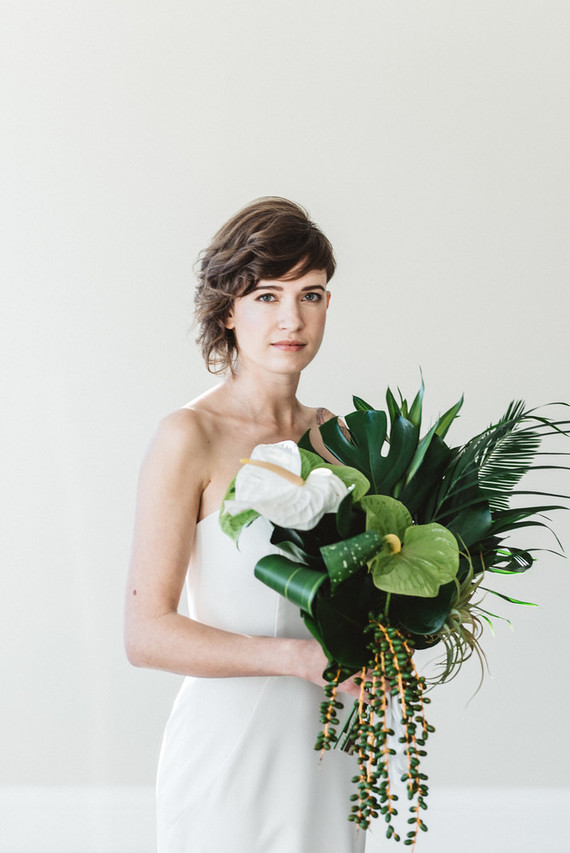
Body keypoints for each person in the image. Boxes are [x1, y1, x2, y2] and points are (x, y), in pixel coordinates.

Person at [124, 197, 367, 853]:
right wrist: (295, 659)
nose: (292, 319)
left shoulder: (343, 439)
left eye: (310, 295)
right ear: (228, 309)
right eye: (267, 296)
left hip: (333, 750)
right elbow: (146, 634)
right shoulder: (189, 436)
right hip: (229, 756)